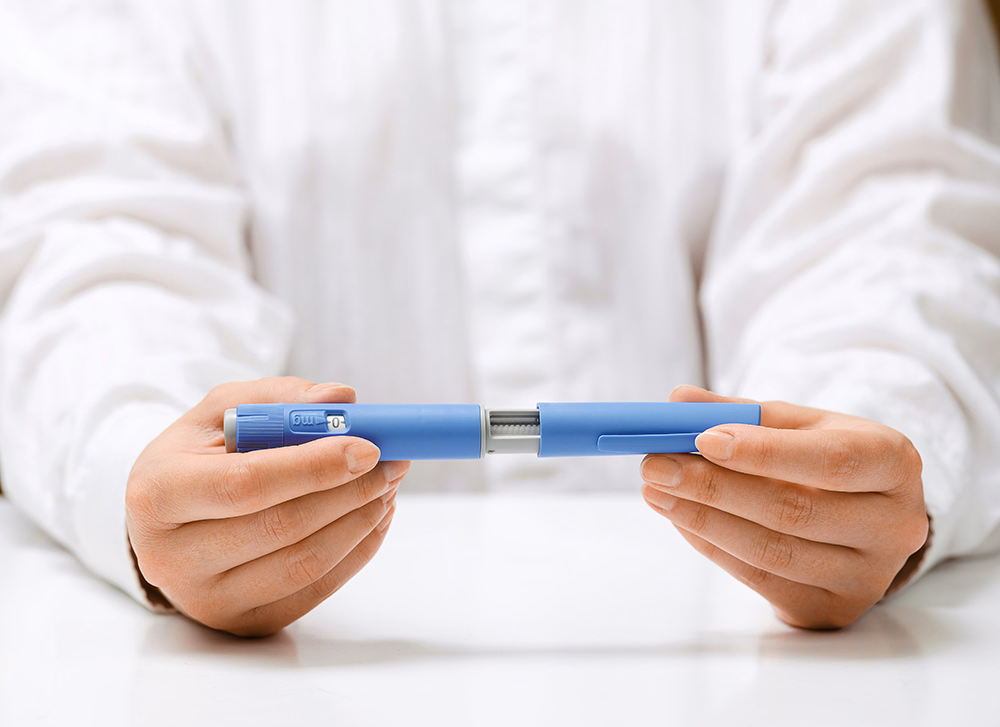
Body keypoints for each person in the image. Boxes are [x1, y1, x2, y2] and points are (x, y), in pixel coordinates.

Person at [0, 0, 998, 636]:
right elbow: (92, 249)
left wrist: (864, 465)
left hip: (739, 697)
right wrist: (152, 467)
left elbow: (891, 234)